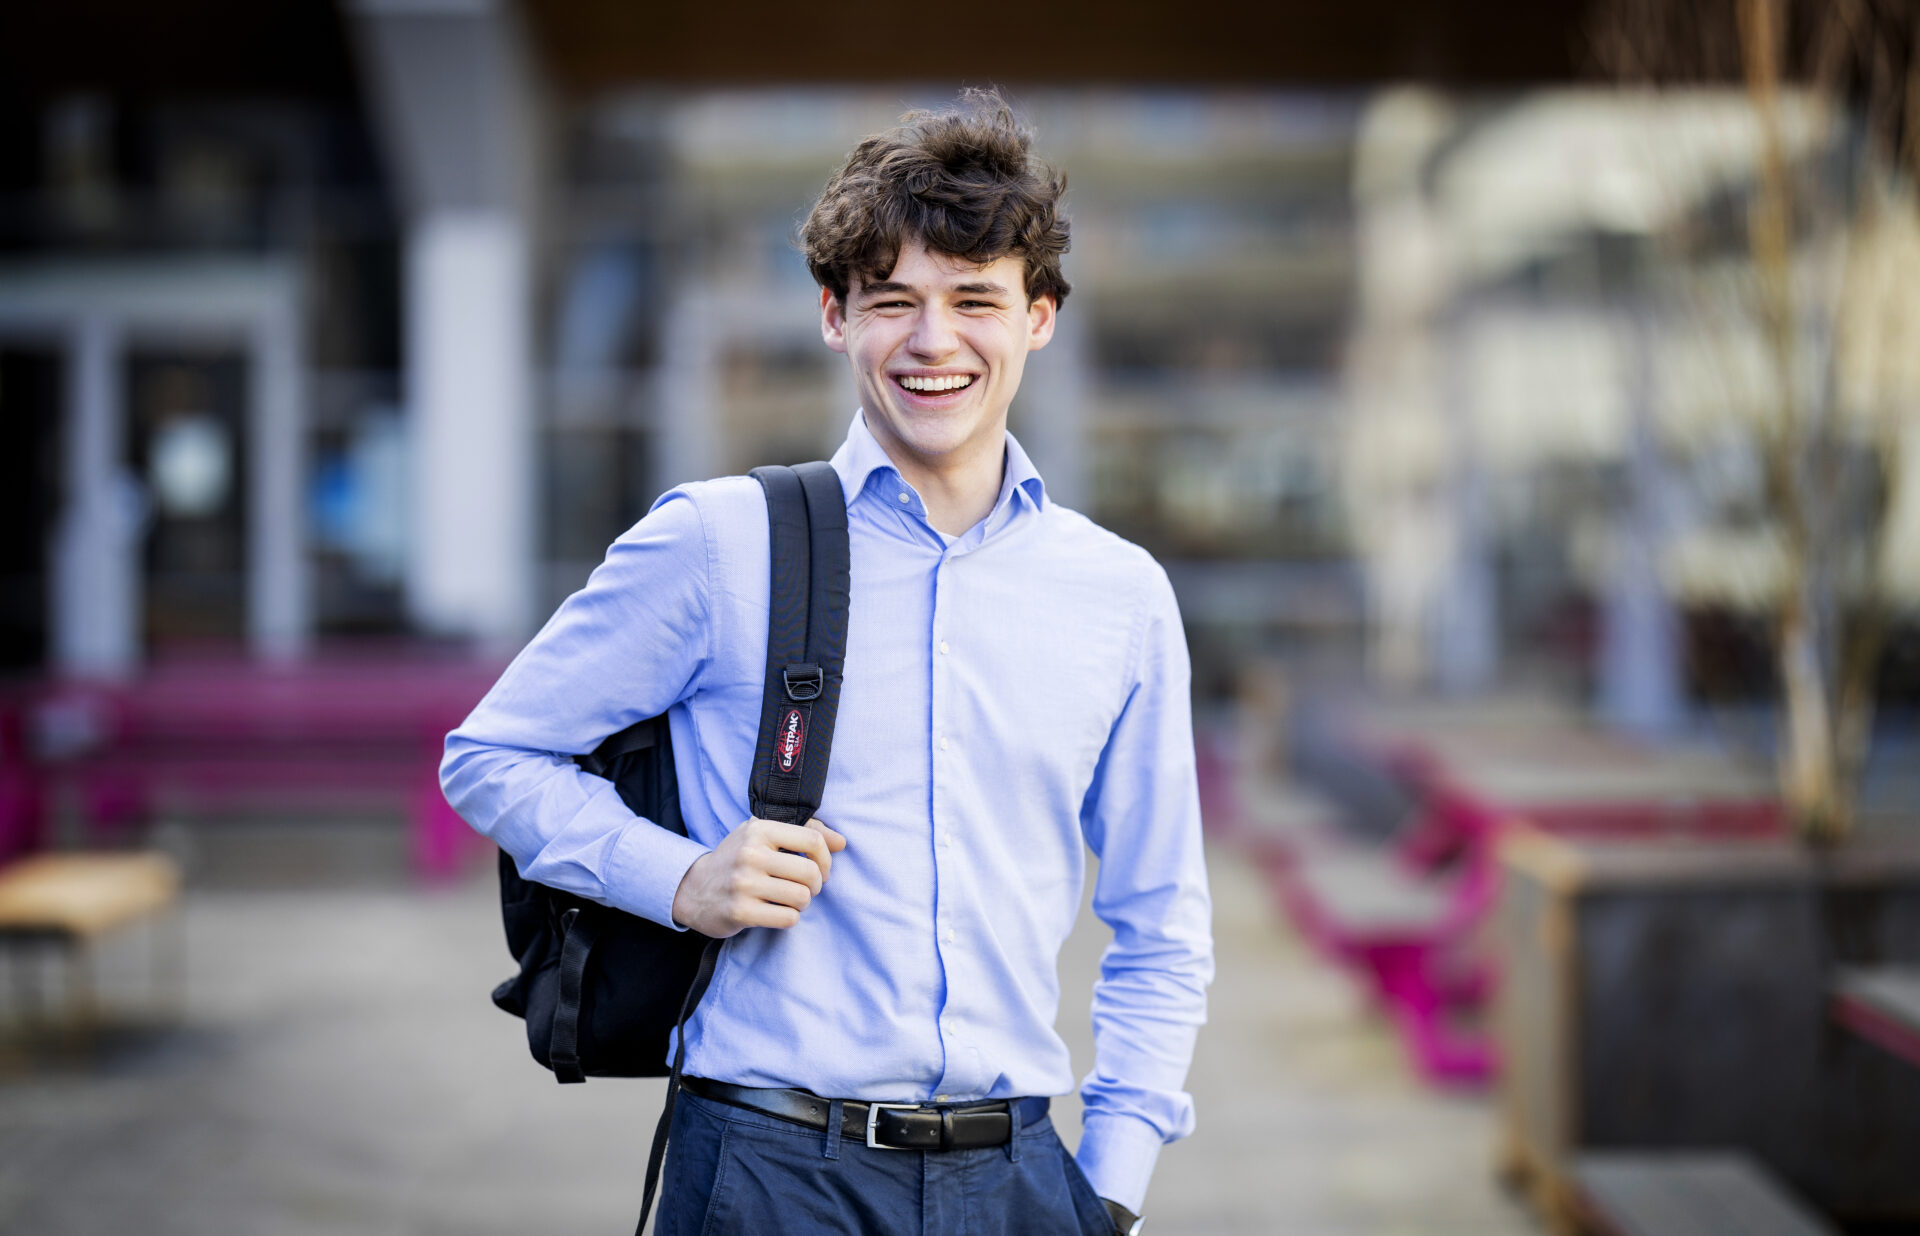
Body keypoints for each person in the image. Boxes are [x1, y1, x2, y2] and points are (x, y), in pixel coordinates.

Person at [442, 87, 1212, 1236]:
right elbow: (491, 755)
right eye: (892, 300)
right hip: (766, 1168)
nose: (933, 340)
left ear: (1039, 317)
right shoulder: (717, 542)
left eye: (975, 300)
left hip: (1021, 1182)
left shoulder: (1120, 595)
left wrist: (1111, 1188)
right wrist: (679, 878)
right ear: (834, 316)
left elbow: (1162, 921)